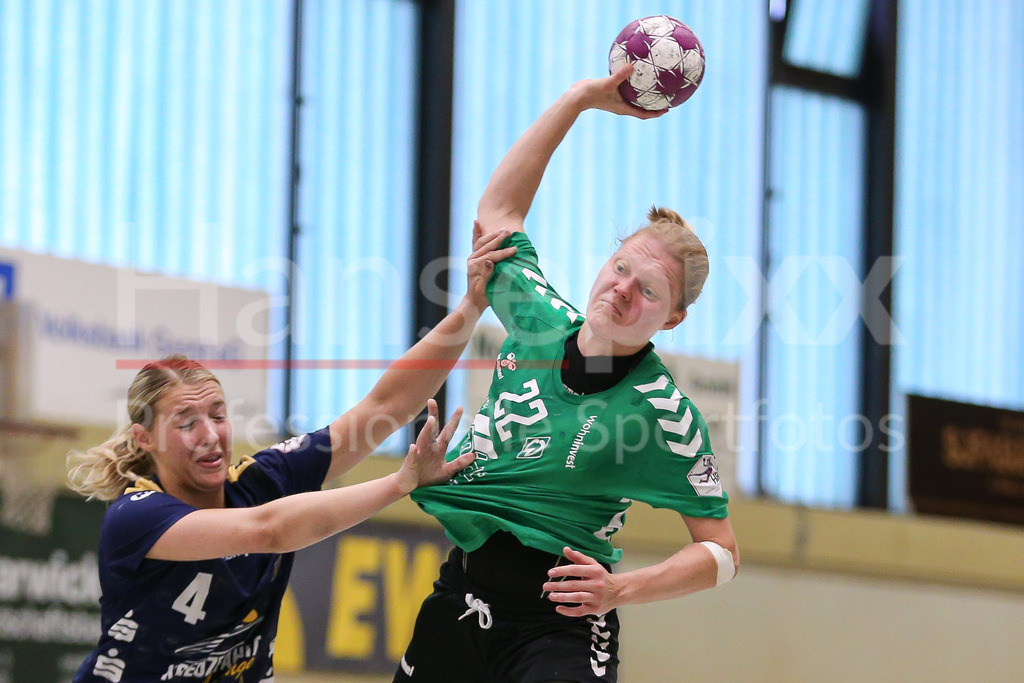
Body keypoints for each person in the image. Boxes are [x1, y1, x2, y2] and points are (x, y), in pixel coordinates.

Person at [397, 64, 739, 682]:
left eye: (650, 290)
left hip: (562, 618)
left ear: (674, 319)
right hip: (463, 592)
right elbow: (498, 209)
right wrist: (580, 99)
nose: (623, 290)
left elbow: (720, 552)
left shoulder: (664, 414)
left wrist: (623, 589)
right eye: (620, 267)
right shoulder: (535, 315)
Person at [65, 228, 516, 682]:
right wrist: (399, 483)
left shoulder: (265, 479)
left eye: (218, 415)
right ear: (145, 440)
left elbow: (385, 407)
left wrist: (471, 307)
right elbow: (271, 529)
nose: (209, 436)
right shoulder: (135, 517)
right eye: (186, 422)